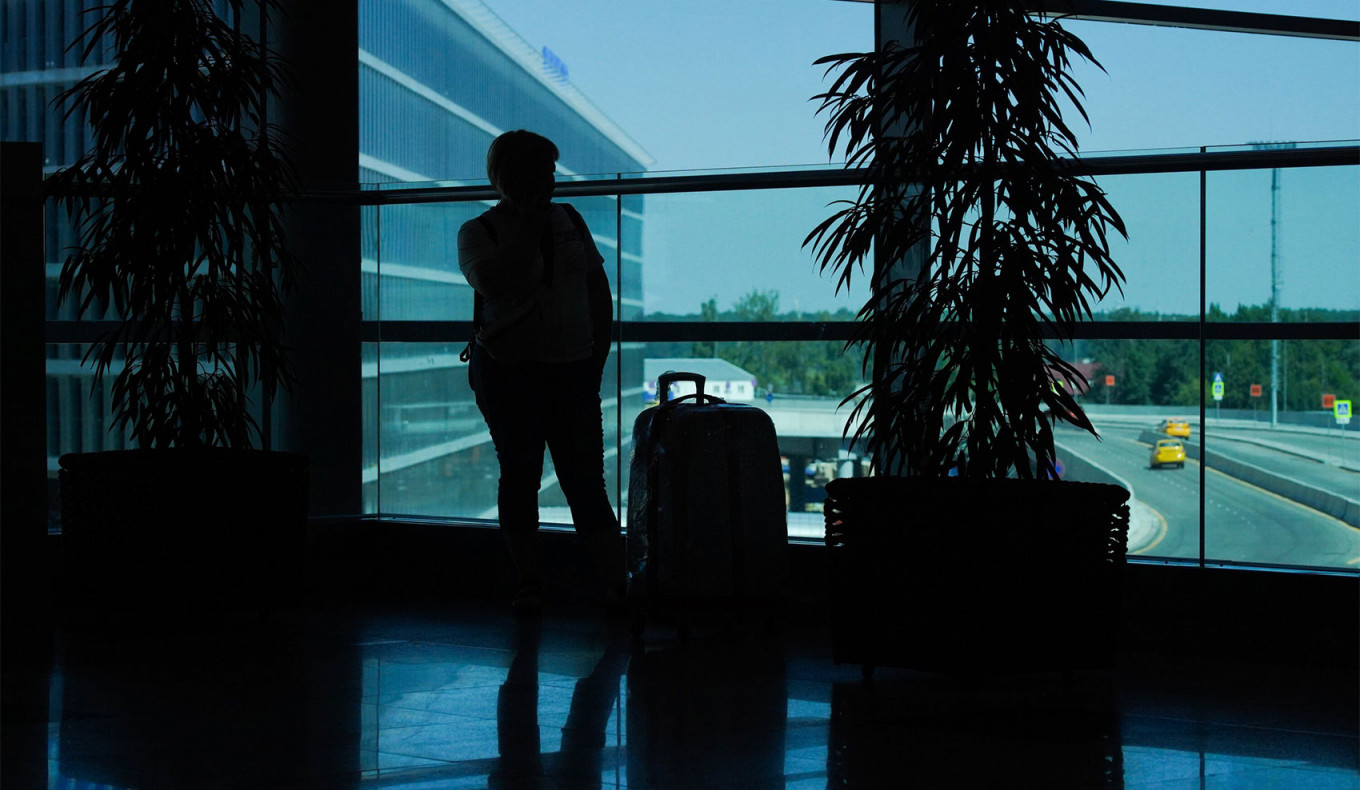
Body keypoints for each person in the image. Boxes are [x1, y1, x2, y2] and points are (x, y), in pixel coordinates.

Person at [458, 130, 623, 615]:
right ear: (513, 176)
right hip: (511, 372)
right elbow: (491, 282)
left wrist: (597, 355)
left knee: (582, 480)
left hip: (571, 369)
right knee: (522, 474)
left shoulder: (569, 219)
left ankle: (610, 584)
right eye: (543, 171)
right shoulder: (479, 231)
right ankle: (536, 581)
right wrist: (529, 227)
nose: (552, 180)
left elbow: (596, 288)